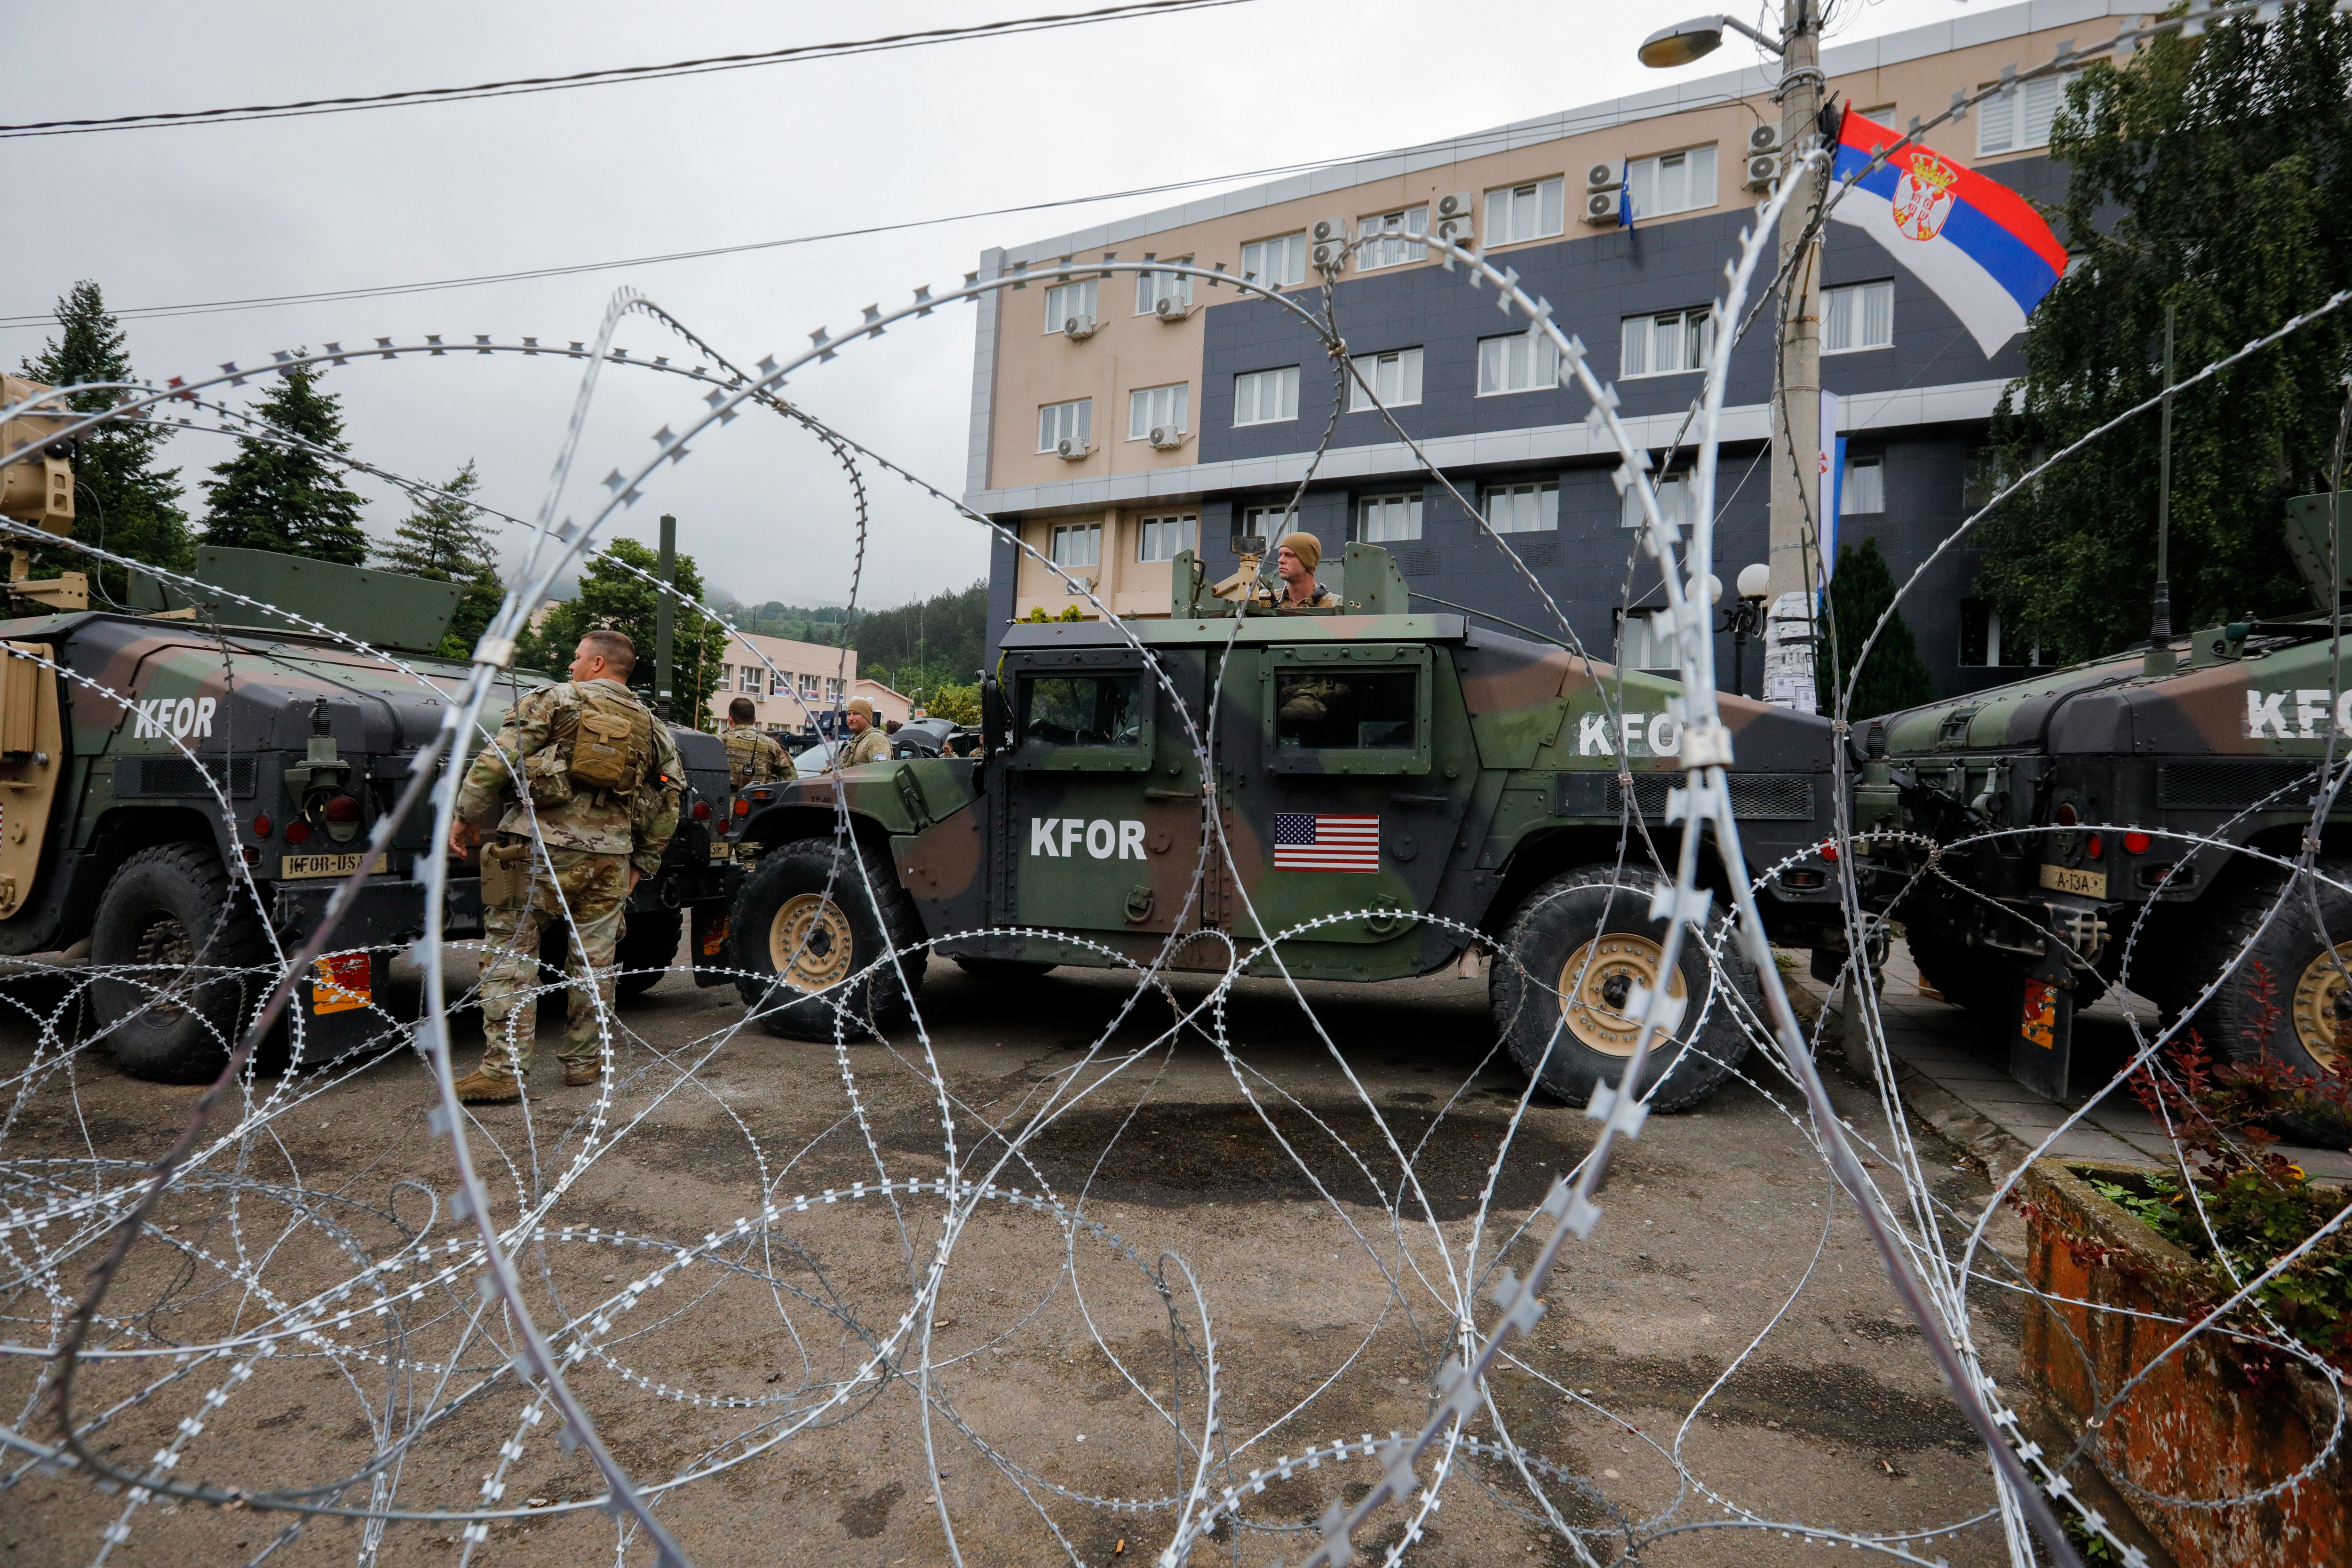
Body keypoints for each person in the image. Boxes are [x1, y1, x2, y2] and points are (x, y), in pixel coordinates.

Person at [448, 629, 682, 1103]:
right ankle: (584, 1062)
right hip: (609, 858)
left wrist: (465, 817)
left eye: (577, 658)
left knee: (510, 954)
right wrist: (643, 859)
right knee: (594, 963)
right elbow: (668, 790)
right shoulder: (650, 725)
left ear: (597, 664)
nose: (571, 667)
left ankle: (503, 1069)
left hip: (537, 850)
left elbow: (498, 758)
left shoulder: (555, 700)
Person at [1251, 531, 1341, 611]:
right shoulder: (1266, 601)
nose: (1280, 560)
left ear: (1307, 561)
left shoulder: (1334, 605)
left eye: (1289, 555)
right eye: (1281, 555)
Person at [722, 696, 792, 792]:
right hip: (759, 803)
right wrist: (770, 783)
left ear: (730, 720)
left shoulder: (718, 741)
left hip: (722, 803)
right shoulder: (772, 745)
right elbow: (790, 778)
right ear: (754, 720)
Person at [838, 697, 891, 768]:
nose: (851, 718)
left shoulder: (875, 739)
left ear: (867, 717)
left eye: (856, 714)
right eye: (849, 714)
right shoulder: (855, 740)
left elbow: (882, 771)